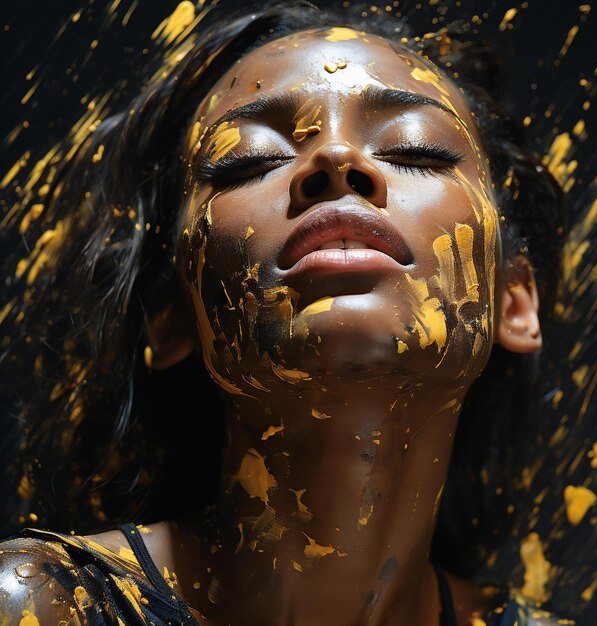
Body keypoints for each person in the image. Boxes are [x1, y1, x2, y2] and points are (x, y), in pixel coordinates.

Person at [0, 2, 566, 625]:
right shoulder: (49, 606)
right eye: (251, 160)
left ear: (513, 299)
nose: (336, 160)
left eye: (416, 149)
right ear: (171, 314)